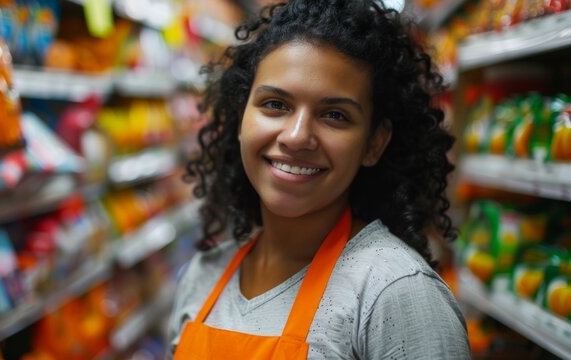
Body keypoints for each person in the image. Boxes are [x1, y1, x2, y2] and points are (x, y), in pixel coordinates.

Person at [168, 0, 472, 358]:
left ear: (374, 143)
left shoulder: (395, 293)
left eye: (334, 115)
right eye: (276, 105)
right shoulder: (202, 278)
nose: (296, 136)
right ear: (240, 120)